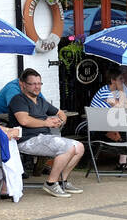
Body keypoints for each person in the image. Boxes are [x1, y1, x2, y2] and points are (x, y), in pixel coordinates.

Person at [7, 68, 84, 198]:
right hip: (27, 139)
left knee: (80, 147)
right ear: (23, 84)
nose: (37, 87)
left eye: (39, 83)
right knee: (68, 148)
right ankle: (50, 183)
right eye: (33, 84)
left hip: (44, 138)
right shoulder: (19, 100)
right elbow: (24, 120)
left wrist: (59, 121)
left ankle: (62, 181)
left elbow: (61, 113)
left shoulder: (41, 101)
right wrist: (46, 123)